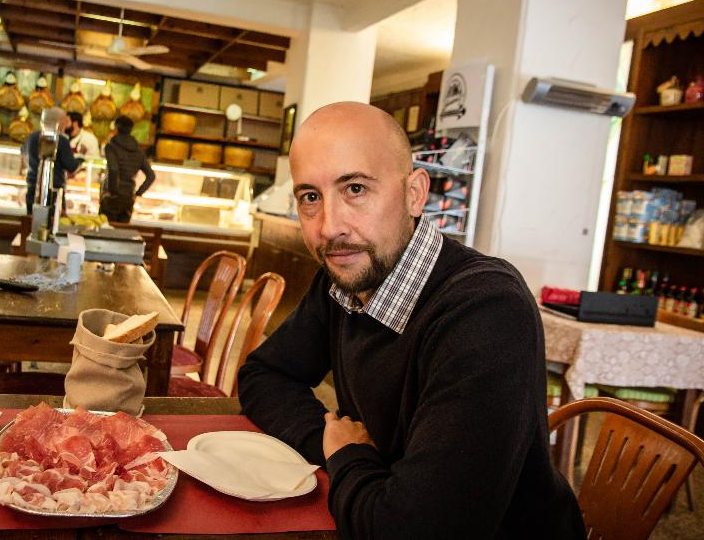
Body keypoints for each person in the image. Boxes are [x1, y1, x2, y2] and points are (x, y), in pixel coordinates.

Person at [237, 102, 584, 539]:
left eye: (356, 189)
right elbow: (262, 374)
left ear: (415, 193)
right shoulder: (344, 278)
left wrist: (349, 459)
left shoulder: (486, 312)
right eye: (311, 197)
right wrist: (336, 445)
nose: (330, 227)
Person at [23, 110, 84, 214]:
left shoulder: (31, 137)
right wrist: (80, 159)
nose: (66, 124)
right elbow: (71, 167)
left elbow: (23, 156)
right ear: (59, 122)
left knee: (32, 221)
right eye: (65, 121)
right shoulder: (61, 140)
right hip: (53, 191)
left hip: (32, 188)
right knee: (51, 225)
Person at [100, 115, 155, 223]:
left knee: (105, 232)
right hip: (128, 197)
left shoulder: (111, 147)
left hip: (112, 198)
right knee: (122, 234)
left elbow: (113, 169)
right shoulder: (138, 151)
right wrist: (138, 193)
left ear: (116, 128)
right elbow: (151, 176)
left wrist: (112, 192)